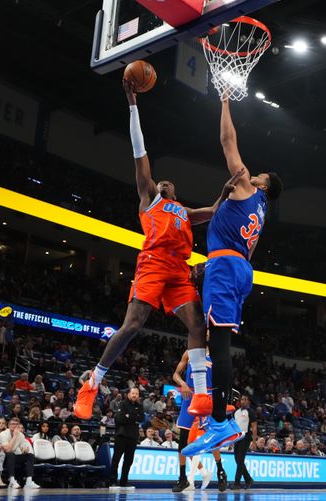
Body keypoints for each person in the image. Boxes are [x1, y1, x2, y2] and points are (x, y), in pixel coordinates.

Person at [74, 80, 243, 420]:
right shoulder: (150, 199)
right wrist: (132, 103)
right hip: (152, 262)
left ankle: (199, 394)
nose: (163, 183)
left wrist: (225, 193)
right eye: (160, 182)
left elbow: (212, 211)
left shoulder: (184, 211)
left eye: (169, 183)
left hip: (179, 270)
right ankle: (93, 381)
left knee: (198, 325)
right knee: (133, 324)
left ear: (175, 191)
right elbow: (140, 154)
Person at [183, 93, 283, 455]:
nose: (253, 173)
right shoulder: (260, 212)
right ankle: (216, 417)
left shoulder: (246, 185)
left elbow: (227, 141)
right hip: (239, 268)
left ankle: (221, 424)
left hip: (226, 266)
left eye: (261, 175)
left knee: (219, 344)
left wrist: (225, 102)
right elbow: (248, 250)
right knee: (216, 339)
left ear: (264, 185)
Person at [171, 349, 226, 492]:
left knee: (212, 436)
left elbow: (222, 378)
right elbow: (176, 374)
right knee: (183, 439)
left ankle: (220, 471)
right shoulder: (189, 352)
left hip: (207, 394)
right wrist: (182, 383)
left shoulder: (215, 353)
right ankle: (182, 478)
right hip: (189, 395)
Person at [109, 387, 143, 490]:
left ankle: (124, 482)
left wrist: (129, 416)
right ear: (128, 394)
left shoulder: (139, 406)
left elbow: (141, 418)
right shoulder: (123, 404)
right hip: (121, 436)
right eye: (133, 393)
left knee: (128, 461)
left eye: (136, 394)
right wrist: (134, 418)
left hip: (133, 437)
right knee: (116, 459)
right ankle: (113, 481)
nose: (134, 395)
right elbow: (120, 419)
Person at [0, 417, 39, 489]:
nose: (15, 426)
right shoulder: (3, 434)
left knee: (30, 456)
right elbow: (8, 450)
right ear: (8, 425)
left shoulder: (21, 435)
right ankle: (12, 481)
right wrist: (15, 436)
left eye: (17, 424)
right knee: (10, 454)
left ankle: (29, 481)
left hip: (11, 457)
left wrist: (25, 450)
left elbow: (23, 449)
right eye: (13, 424)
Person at [233, 394, 258, 490]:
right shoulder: (236, 412)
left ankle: (237, 483)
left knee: (240, 459)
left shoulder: (250, 412)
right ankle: (248, 479)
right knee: (237, 460)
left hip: (246, 437)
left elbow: (254, 427)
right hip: (237, 437)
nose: (243, 401)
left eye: (245, 399)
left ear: (248, 402)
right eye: (242, 399)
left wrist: (254, 441)